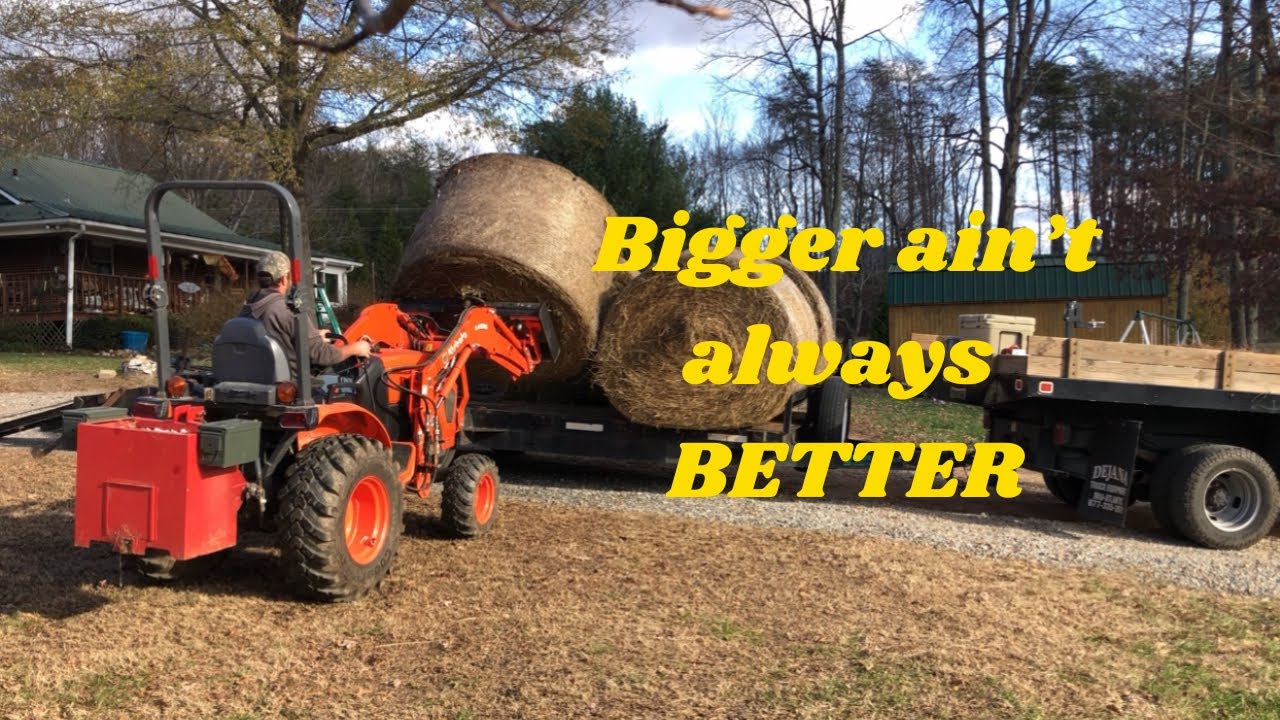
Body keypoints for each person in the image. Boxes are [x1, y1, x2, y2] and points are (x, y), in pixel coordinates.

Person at [240, 250, 371, 380]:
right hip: (292, 388)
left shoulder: (247, 309)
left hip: (259, 380)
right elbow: (322, 354)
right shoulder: (287, 312)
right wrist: (355, 348)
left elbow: (280, 338)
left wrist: (314, 336)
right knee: (352, 385)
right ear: (285, 278)